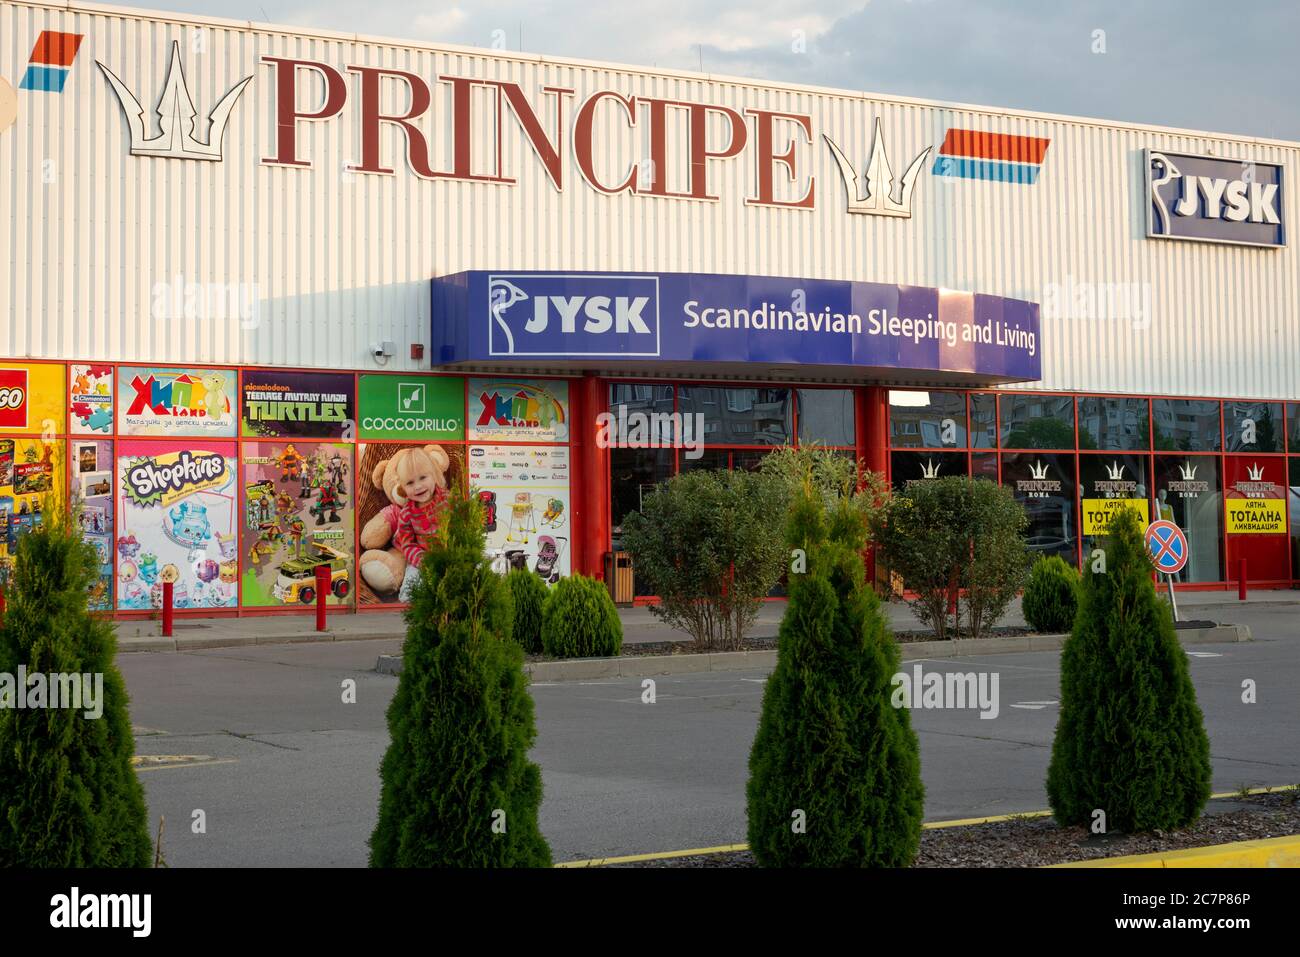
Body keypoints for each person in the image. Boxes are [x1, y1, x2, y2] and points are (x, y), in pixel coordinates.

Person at [390, 446, 451, 602]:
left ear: (434, 476)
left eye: (423, 478)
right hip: (422, 561)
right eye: (410, 483)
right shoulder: (406, 514)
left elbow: (462, 528)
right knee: (407, 594)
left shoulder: (449, 501)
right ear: (402, 488)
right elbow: (407, 544)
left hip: (450, 556)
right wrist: (421, 560)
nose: (418, 486)